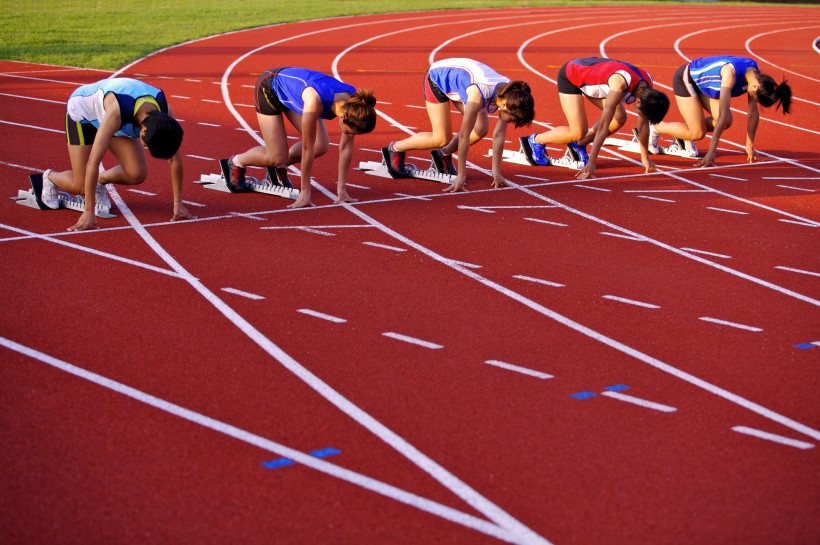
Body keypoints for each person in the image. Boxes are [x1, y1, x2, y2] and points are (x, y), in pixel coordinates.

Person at [36, 77, 189, 231]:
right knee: (81, 186)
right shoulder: (117, 112)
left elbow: (174, 158)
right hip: (82, 116)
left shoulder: (165, 116)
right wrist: (89, 211)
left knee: (136, 173)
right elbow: (93, 161)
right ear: (143, 130)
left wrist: (178, 203)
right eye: (148, 145)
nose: (146, 148)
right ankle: (50, 178)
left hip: (112, 118)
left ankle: (99, 183)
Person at [220, 67, 377, 208]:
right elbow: (307, 148)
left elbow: (346, 147)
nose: (348, 135)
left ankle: (278, 170)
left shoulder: (354, 105)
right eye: (348, 132)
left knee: (320, 145)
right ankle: (234, 163)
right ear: (343, 117)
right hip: (270, 88)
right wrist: (305, 190)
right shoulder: (314, 103)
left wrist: (341, 189)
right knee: (276, 156)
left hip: (295, 94)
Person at [383, 57, 535, 192]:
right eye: (512, 117)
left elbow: (499, 134)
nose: (511, 121)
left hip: (462, 82)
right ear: (503, 103)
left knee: (481, 129)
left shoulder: (511, 94)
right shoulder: (477, 96)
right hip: (437, 78)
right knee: (441, 138)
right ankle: (395, 148)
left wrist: (496, 173)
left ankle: (443, 154)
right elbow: (464, 135)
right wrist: (461, 175)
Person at [523, 57, 669, 180]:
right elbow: (604, 125)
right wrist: (592, 162)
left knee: (619, 119)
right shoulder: (619, 85)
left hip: (598, 74)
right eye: (642, 114)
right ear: (638, 102)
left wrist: (645, 157)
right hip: (572, 75)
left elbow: (643, 127)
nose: (642, 118)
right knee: (578, 132)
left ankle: (578, 145)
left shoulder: (648, 89)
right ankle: (535, 141)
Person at [649, 55, 792, 167]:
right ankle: (654, 127)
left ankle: (682, 132)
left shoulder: (755, 75)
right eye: (755, 98)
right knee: (697, 133)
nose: (753, 100)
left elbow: (753, 113)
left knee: (726, 122)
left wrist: (749, 146)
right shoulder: (730, 74)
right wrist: (712, 151)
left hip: (704, 86)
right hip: (687, 80)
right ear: (756, 88)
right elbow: (723, 114)